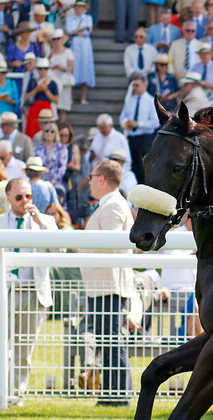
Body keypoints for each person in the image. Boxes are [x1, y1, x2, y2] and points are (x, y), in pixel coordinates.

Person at [0, 177, 59, 406]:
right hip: (3, 291)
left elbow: (60, 249)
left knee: (24, 349)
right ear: (8, 197)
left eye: (29, 196)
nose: (25, 201)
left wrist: (41, 222)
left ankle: (16, 394)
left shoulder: (46, 222)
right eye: (20, 197)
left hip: (33, 292)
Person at [80, 161, 135, 406]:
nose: (89, 181)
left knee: (112, 341)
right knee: (109, 341)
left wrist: (80, 244)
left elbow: (113, 243)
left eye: (92, 177)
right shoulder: (111, 204)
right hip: (106, 284)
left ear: (101, 179)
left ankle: (117, 396)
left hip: (110, 284)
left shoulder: (113, 206)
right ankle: (114, 394)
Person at [120, 74, 160, 185]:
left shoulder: (150, 101)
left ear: (144, 85)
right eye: (133, 85)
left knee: (144, 167)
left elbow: (155, 122)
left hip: (145, 138)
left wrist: (138, 124)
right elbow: (122, 116)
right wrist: (125, 123)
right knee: (133, 167)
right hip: (132, 138)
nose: (135, 88)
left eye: (137, 85)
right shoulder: (130, 101)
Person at [65, 0, 96, 105]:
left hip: (85, 46)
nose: (79, 9)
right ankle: (71, 97)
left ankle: (83, 98)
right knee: (73, 69)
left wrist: (77, 31)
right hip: (74, 44)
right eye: (78, 6)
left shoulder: (88, 18)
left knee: (85, 69)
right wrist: (82, 29)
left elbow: (88, 32)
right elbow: (70, 30)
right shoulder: (70, 18)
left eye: (81, 7)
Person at [23, 58, 59, 138]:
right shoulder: (32, 82)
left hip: (46, 109)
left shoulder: (53, 83)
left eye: (45, 69)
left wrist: (46, 91)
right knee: (33, 131)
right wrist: (36, 90)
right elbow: (25, 97)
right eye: (40, 69)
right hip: (34, 109)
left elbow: (56, 100)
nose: (43, 71)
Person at [33, 123, 68, 187]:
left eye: (52, 132)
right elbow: (34, 165)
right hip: (40, 182)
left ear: (56, 134)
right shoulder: (37, 149)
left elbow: (62, 167)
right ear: (43, 133)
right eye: (47, 131)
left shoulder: (62, 148)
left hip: (56, 182)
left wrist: (54, 180)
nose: (49, 133)